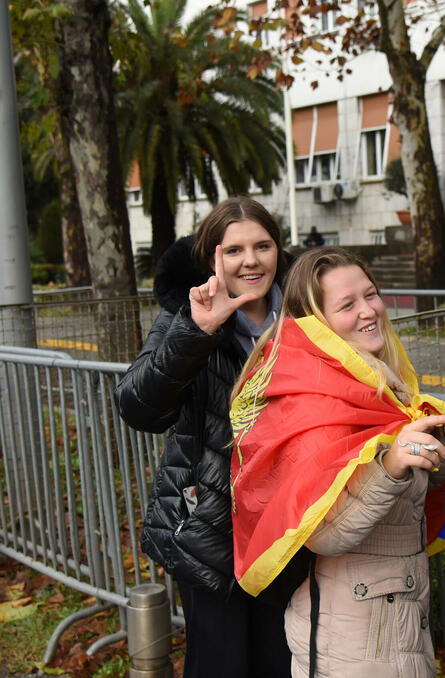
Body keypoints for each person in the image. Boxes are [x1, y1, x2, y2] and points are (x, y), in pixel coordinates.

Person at [228, 247, 445, 678]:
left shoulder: (376, 384)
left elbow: (402, 499)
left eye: (370, 294)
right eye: (347, 305)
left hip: (389, 623)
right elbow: (322, 531)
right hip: (355, 642)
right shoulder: (314, 402)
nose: (368, 311)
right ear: (318, 325)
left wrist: (442, 442)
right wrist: (390, 465)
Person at [115, 197, 292, 677]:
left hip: (288, 525)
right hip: (210, 529)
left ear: (278, 250)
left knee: (283, 660)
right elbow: (137, 406)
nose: (251, 261)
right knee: (220, 663)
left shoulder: (304, 314)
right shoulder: (187, 313)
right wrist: (197, 331)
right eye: (234, 250)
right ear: (213, 257)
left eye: (262, 246)